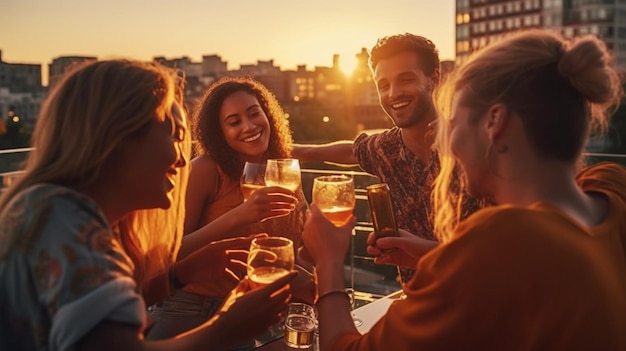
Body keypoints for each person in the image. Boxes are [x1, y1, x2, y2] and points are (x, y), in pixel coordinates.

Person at [302, 29, 626, 350]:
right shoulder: (610, 188)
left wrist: (328, 259)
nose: (443, 139)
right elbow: (503, 272)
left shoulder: (500, 235)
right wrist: (437, 255)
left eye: (452, 122)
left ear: (494, 123)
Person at [0, 59, 297, 351]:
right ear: (118, 136)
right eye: (175, 137)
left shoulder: (60, 213)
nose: (182, 160)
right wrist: (225, 330)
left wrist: (178, 276)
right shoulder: (59, 219)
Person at [293, 33, 482, 283]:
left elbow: (500, 248)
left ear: (433, 79)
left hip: (484, 300)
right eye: (383, 85)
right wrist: (294, 151)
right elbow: (352, 150)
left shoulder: (473, 145)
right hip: (415, 300)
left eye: (406, 80)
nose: (394, 93)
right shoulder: (387, 148)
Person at [147, 76, 312, 341]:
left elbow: (293, 248)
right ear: (219, 133)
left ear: (268, 114)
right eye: (234, 122)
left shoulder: (283, 171)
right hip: (192, 307)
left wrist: (314, 287)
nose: (248, 126)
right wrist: (240, 216)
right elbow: (169, 252)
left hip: (254, 307)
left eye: (254, 114)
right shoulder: (206, 169)